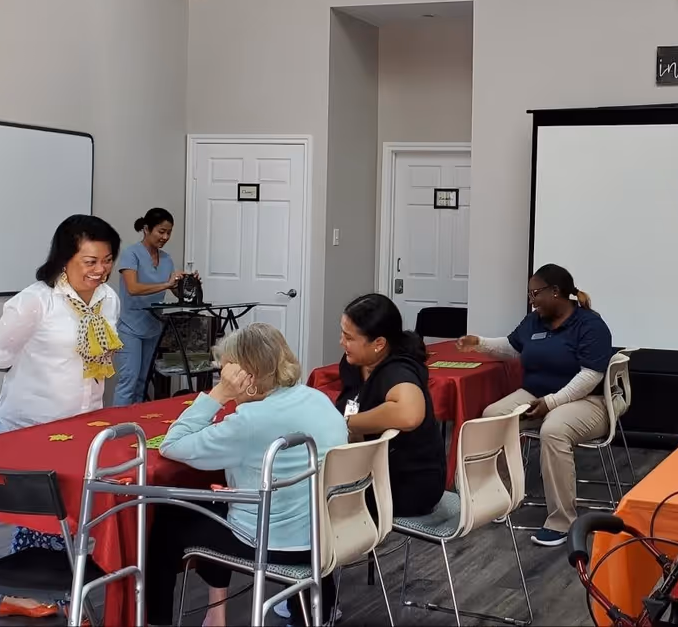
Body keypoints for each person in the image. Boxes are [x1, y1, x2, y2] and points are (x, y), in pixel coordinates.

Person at [145, 323, 348, 627]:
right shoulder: (315, 398)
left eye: (225, 371)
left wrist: (219, 394)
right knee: (223, 504)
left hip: (274, 544)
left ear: (246, 377)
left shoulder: (251, 420)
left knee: (167, 520)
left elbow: (172, 445)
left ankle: (159, 621)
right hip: (325, 537)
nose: (222, 376)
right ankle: (223, 612)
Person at [0, 214, 123, 620]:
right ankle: (23, 592)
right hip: (33, 425)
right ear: (64, 259)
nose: (101, 271)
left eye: (107, 260)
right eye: (90, 261)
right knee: (44, 513)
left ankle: (47, 588)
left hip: (83, 422)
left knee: (72, 512)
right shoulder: (36, 300)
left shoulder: (107, 299)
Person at [459, 264, 617, 547]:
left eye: (535, 293)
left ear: (555, 292)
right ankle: (499, 496)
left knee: (554, 430)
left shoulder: (590, 325)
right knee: (491, 417)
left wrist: (552, 403)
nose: (531, 300)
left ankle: (562, 521)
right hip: (537, 395)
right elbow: (512, 346)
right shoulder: (534, 321)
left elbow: (590, 376)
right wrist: (479, 343)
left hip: (588, 402)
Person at [336, 293, 445, 517]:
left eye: (349, 338)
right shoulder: (354, 365)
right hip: (371, 472)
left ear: (379, 344)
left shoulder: (398, 370)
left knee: (311, 493)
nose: (342, 343)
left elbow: (409, 415)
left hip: (407, 484)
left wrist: (348, 424)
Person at [113, 208, 190, 406]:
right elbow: (133, 288)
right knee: (128, 381)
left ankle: (136, 427)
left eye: (169, 232)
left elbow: (175, 291)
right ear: (147, 229)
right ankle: (115, 430)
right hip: (130, 328)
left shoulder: (166, 259)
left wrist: (188, 284)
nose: (165, 237)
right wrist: (166, 284)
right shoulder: (131, 253)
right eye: (161, 231)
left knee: (142, 382)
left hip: (153, 327)